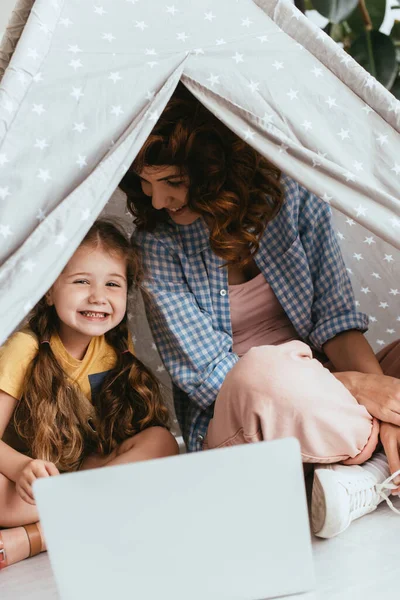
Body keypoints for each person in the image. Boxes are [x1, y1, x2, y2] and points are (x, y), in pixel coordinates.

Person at [120, 83, 400, 539]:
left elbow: (337, 322)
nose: (157, 202)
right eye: (146, 185)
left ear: (215, 171)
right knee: (264, 373)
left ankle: (363, 474)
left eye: (172, 182)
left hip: (325, 395)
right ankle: (376, 463)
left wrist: (383, 392)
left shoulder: (293, 198)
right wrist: (357, 386)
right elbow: (214, 378)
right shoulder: (156, 245)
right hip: (246, 409)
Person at [0, 220, 178, 569]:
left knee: (161, 441)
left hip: (76, 476)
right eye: (82, 281)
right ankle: (94, 511)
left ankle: (36, 539)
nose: (98, 297)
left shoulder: (114, 346)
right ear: (49, 290)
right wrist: (23, 468)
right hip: (27, 485)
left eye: (112, 284)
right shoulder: (24, 348)